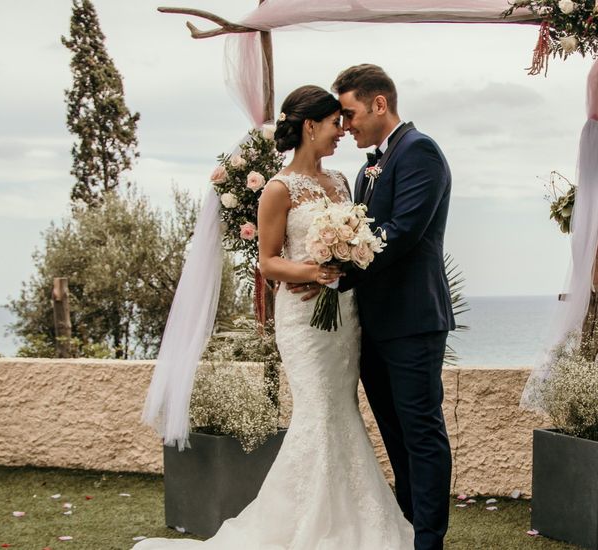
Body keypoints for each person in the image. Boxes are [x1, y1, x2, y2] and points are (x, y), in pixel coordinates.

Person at [133, 84, 414, 549]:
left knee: (342, 409)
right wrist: (313, 268)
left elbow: (358, 246)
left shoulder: (343, 182)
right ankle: (307, 527)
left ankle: (351, 521)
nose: (341, 132)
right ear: (309, 126)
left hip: (344, 315)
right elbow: (267, 262)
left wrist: (345, 260)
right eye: (333, 124)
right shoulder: (279, 190)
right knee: (318, 413)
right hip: (304, 321)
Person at [292, 64, 455, 550]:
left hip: (412, 320)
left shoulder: (420, 152)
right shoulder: (367, 169)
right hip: (371, 325)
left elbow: (402, 232)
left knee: (421, 434)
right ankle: (406, 528)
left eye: (350, 113)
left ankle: (428, 541)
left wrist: (336, 267)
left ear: (379, 104)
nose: (345, 126)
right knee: (394, 433)